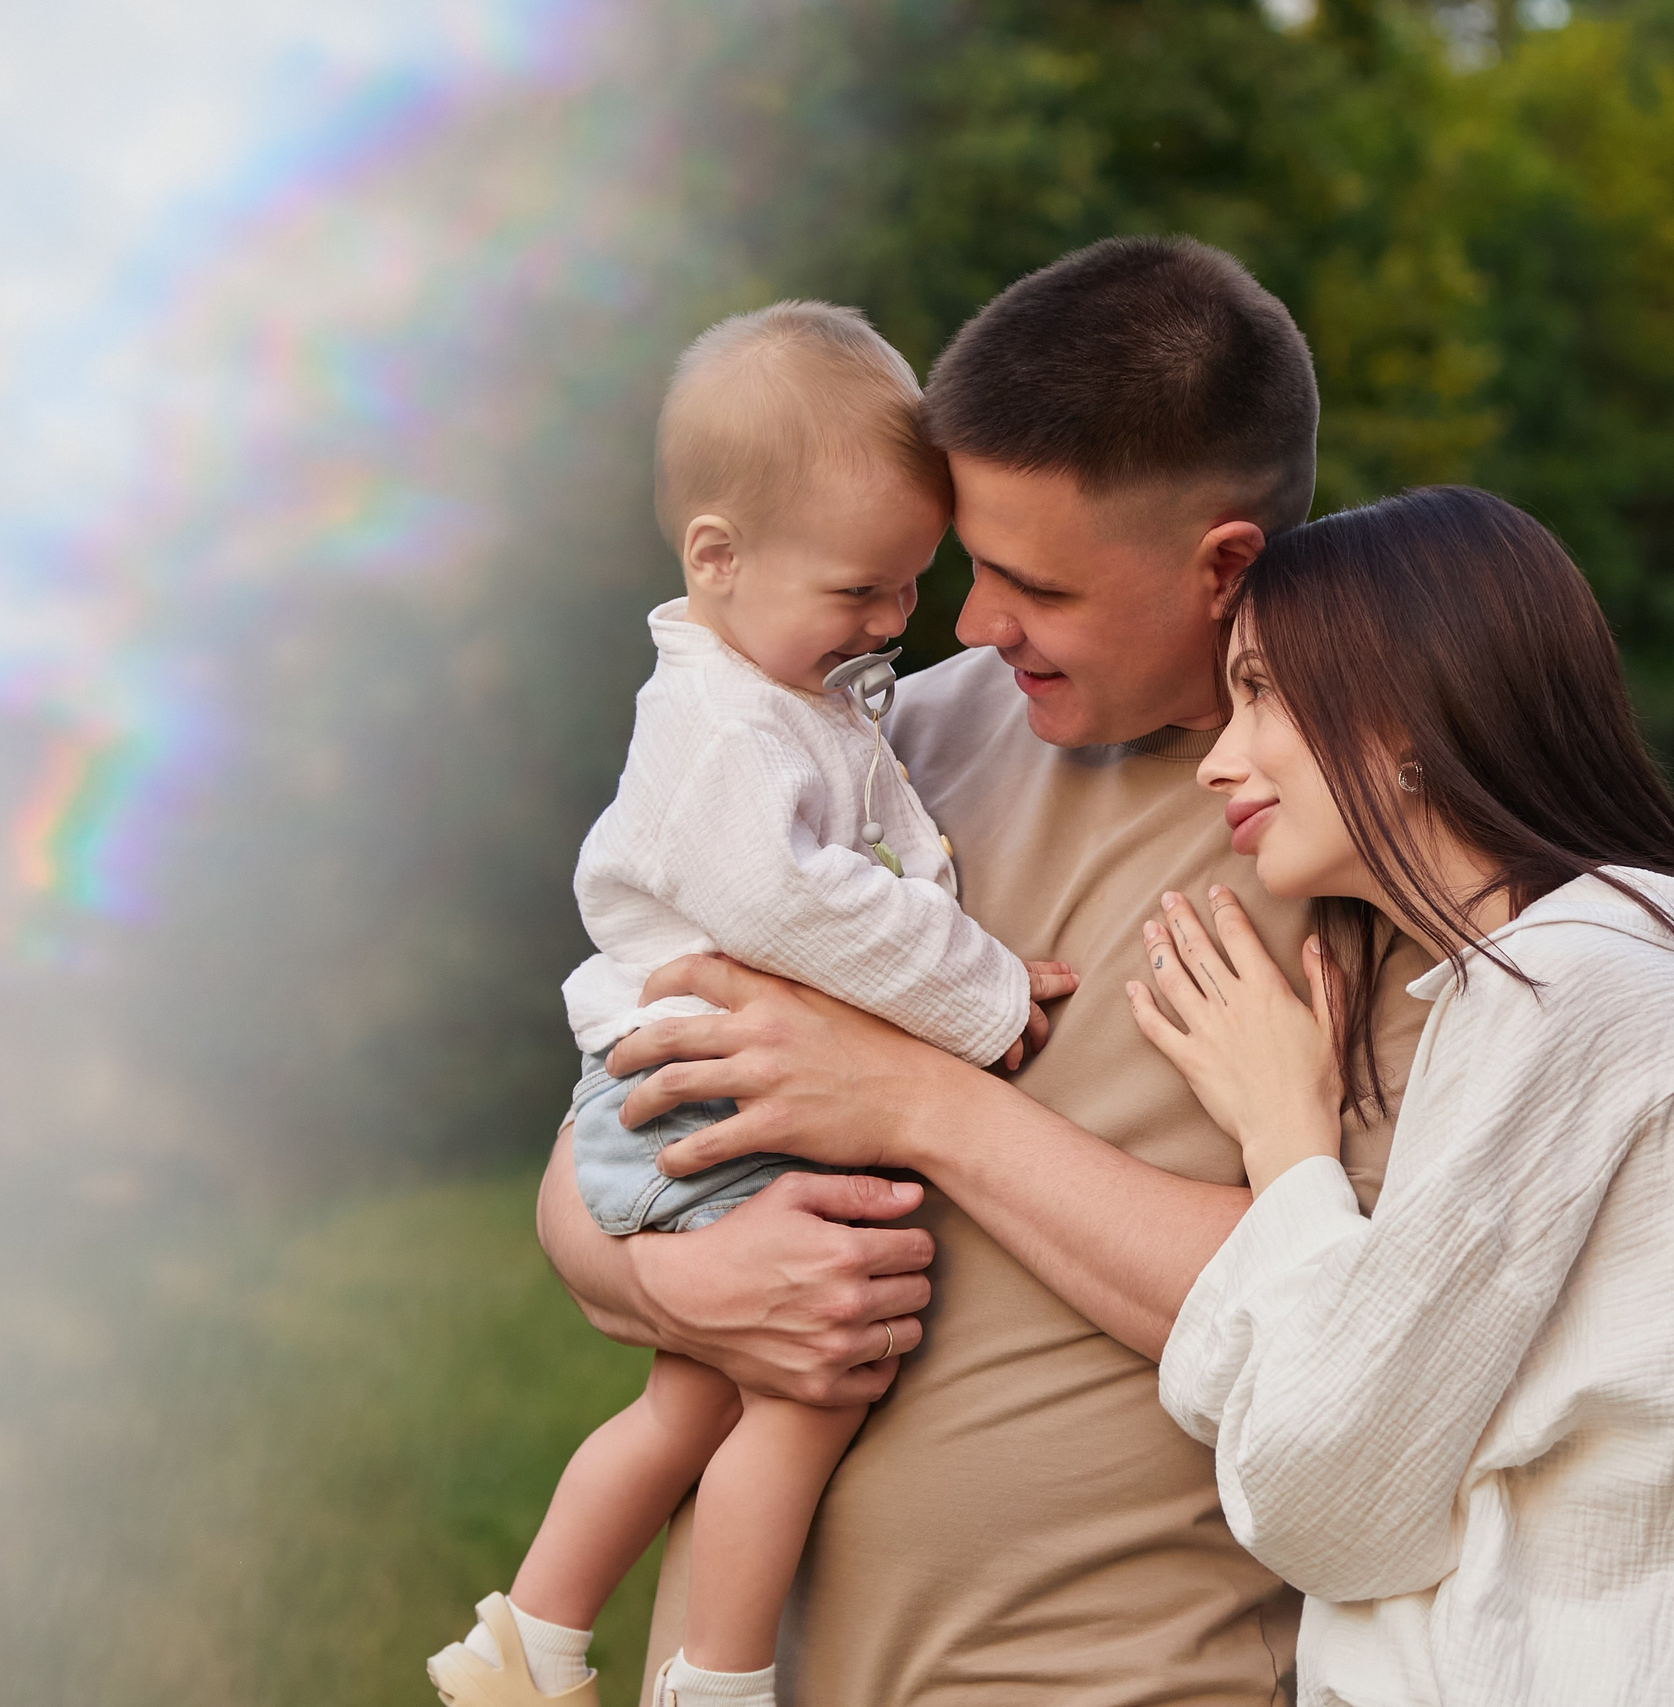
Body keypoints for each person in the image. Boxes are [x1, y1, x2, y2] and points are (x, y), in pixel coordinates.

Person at [535, 237, 1435, 1703]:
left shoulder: (1370, 841)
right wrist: (678, 1279)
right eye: (965, 564)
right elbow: (594, 1154)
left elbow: (1377, 1334)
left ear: (1222, 565)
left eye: (1032, 583)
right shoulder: (871, 743)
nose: (965, 623)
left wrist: (917, 1103)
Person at [1130, 484, 1674, 1703]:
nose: (1219, 759)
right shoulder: (1622, 998)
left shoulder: (1572, 999)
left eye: (1260, 691)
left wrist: (1284, 1143)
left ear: (1409, 710)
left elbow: (1321, 1494)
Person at [427, 301, 1074, 1707]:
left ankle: (526, 1638)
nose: (893, 620)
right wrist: (981, 986)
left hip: (688, 1083)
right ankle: (715, 1682)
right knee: (807, 1392)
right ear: (716, 556)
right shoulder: (723, 725)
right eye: (862, 590)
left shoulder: (783, 688)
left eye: (911, 583)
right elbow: (793, 904)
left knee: (690, 1402)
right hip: (699, 1093)